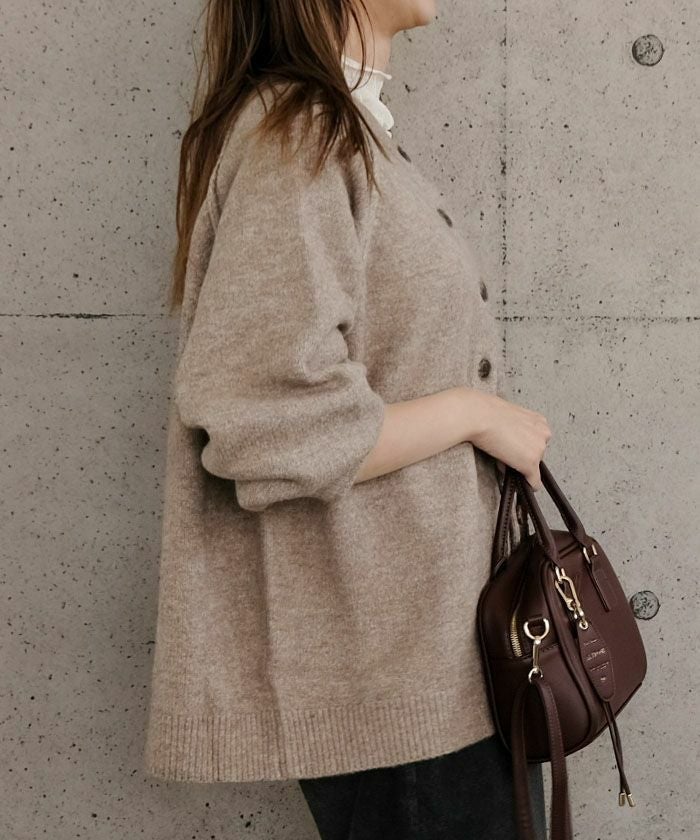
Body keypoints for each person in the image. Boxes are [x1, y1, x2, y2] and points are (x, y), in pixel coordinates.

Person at [144, 0, 551, 837]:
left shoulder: (350, 130)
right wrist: (472, 412)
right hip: (389, 677)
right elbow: (263, 422)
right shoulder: (300, 134)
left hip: (437, 660)